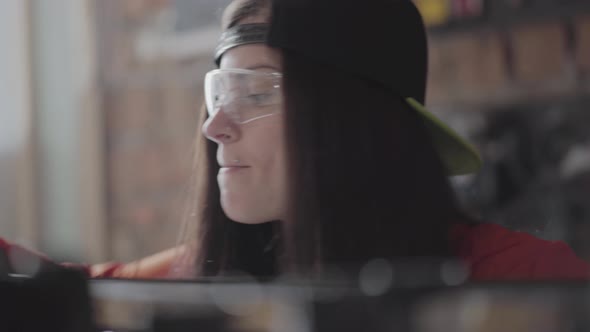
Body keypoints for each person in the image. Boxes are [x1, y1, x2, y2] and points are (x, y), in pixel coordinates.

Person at [1, 0, 588, 280]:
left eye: (254, 93)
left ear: (355, 123)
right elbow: (54, 290)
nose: (214, 128)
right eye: (218, 94)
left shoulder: (527, 282)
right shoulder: (207, 275)